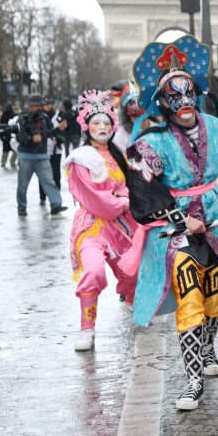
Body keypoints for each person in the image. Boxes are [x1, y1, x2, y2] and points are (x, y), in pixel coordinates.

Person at [123, 35, 218, 411]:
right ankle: (193, 380)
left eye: (189, 94)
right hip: (176, 231)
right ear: (163, 102)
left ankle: (207, 346)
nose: (184, 102)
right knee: (189, 297)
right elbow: (142, 190)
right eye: (175, 96)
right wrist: (180, 219)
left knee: (217, 297)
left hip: (217, 219)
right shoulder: (151, 142)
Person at [64, 90, 138, 351]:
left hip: (121, 227)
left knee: (134, 269)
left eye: (107, 122)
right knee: (93, 271)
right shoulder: (81, 158)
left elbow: (129, 186)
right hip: (92, 227)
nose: (102, 127)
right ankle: (87, 329)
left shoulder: (119, 155)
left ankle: (131, 300)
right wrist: (123, 202)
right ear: (87, 126)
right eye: (96, 122)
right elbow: (95, 199)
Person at [15, 93, 67, 216]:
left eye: (40, 105)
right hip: (26, 156)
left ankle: (56, 204)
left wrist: (59, 129)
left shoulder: (44, 117)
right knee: (23, 184)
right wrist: (31, 139)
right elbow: (18, 136)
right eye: (37, 105)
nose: (39, 108)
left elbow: (48, 133)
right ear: (30, 105)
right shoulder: (22, 118)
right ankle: (22, 207)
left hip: (42, 156)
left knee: (49, 181)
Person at [39, 98, 65, 205]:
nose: (48, 106)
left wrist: (60, 138)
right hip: (43, 150)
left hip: (56, 150)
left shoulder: (57, 117)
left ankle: (57, 196)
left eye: (49, 104)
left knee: (56, 174)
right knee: (43, 174)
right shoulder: (39, 117)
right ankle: (42, 196)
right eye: (46, 104)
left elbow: (63, 130)